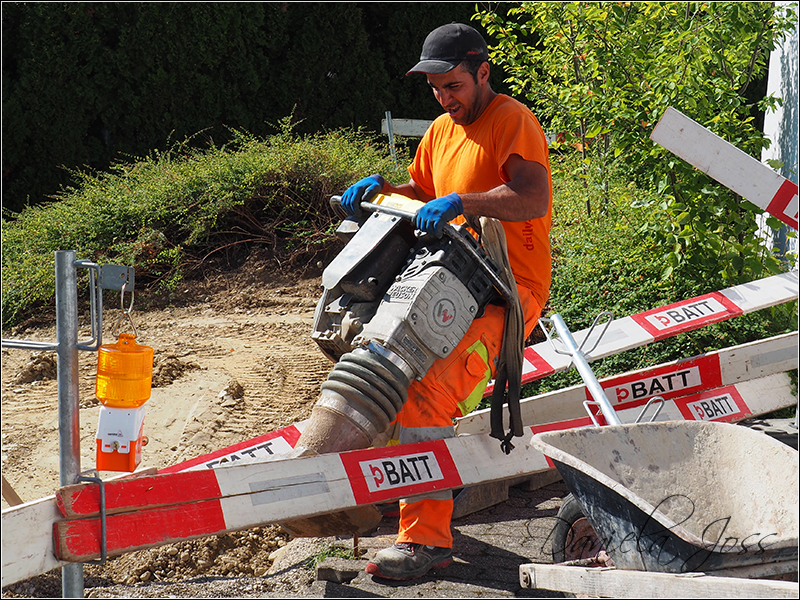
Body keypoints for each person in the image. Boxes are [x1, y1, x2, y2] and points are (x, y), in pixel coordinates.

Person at [339, 22, 553, 581]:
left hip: (507, 293)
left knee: (427, 391)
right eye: (435, 88)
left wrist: (463, 201)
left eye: (453, 85)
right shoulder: (439, 130)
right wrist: (380, 191)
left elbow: (532, 196)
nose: (444, 98)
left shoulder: (513, 120)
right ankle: (409, 487)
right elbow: (422, 195)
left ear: (483, 71)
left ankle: (426, 543)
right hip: (455, 281)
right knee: (390, 369)